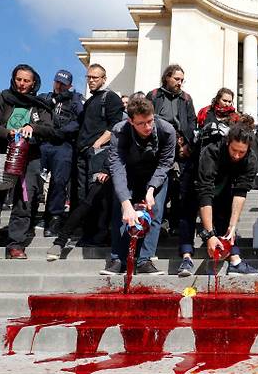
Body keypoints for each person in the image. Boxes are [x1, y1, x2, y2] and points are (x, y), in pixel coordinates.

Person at [0, 64, 55, 259]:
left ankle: (15, 244)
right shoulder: (3, 98)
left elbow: (49, 128)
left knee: (23, 202)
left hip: (30, 157)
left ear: (33, 83)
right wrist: (7, 133)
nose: (22, 84)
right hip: (3, 152)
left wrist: (33, 128)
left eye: (26, 80)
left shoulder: (40, 104)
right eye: (18, 79)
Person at [102, 97, 176, 275]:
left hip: (156, 174)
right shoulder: (119, 131)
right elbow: (117, 168)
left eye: (150, 121)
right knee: (121, 210)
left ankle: (145, 260)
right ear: (131, 121)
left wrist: (151, 189)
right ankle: (117, 258)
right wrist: (126, 204)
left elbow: (166, 163)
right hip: (128, 172)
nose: (148, 127)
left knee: (155, 211)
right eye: (141, 123)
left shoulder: (167, 130)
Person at [186, 121, 258, 276]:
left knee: (226, 217)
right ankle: (186, 257)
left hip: (225, 183)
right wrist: (210, 234)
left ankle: (235, 260)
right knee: (187, 214)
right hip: (195, 179)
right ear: (228, 143)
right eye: (234, 150)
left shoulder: (251, 159)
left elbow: (240, 192)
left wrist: (232, 226)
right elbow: (204, 192)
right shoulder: (212, 151)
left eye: (242, 152)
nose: (237, 155)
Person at [76, 64, 123, 245]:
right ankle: (88, 233)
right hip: (83, 152)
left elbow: (115, 125)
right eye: (89, 77)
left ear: (104, 78)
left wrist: (98, 143)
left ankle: (100, 234)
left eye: (95, 77)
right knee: (84, 195)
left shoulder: (110, 98)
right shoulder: (89, 101)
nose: (91, 81)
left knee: (98, 196)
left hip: (99, 153)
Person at [146, 64, 196, 235]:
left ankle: (174, 224)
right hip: (158, 148)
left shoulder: (187, 98)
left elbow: (192, 122)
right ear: (167, 77)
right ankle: (155, 224)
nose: (179, 82)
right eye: (176, 79)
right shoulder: (153, 95)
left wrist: (187, 144)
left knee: (179, 188)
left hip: (181, 148)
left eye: (182, 80)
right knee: (157, 185)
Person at [38, 69, 84, 237]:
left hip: (63, 145)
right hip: (44, 143)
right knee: (37, 180)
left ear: (70, 85)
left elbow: (80, 120)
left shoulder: (75, 99)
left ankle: (54, 219)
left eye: (63, 84)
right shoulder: (45, 97)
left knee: (59, 182)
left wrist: (62, 132)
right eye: (57, 82)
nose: (59, 86)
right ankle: (34, 217)